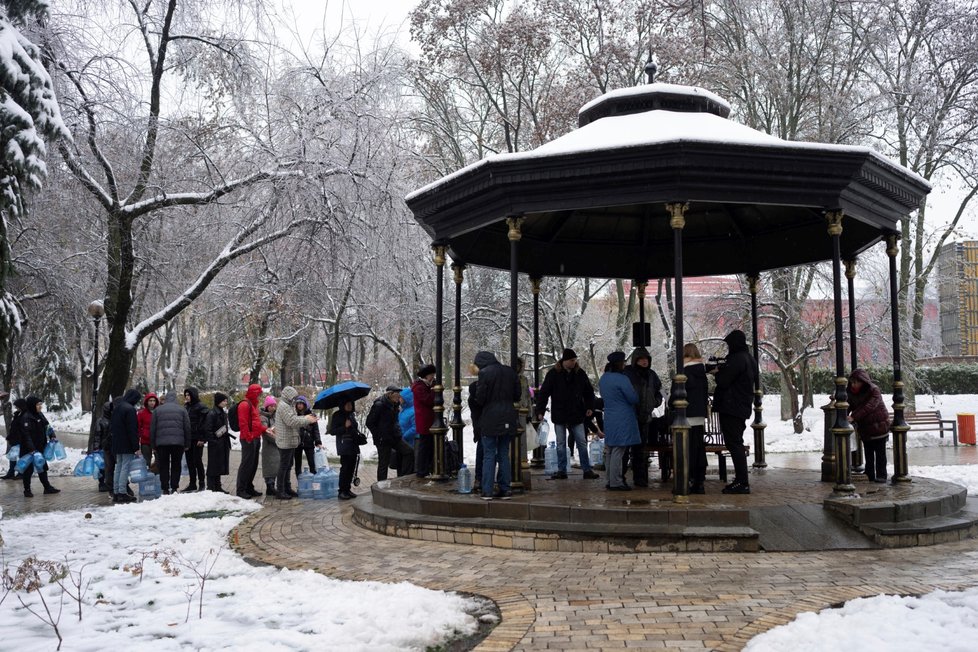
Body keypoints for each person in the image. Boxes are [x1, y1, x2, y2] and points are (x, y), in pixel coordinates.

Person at [534, 348, 599, 480]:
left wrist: (590, 406)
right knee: (561, 443)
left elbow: (588, 392)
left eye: (575, 360)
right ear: (564, 360)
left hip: (575, 413)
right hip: (561, 413)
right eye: (571, 360)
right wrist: (540, 410)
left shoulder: (579, 374)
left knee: (581, 442)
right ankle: (562, 470)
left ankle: (586, 469)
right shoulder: (553, 374)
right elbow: (544, 393)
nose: (574, 363)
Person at [709, 329, 757, 494]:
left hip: (732, 406)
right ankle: (741, 480)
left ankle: (742, 482)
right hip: (741, 406)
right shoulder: (749, 358)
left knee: (734, 443)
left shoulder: (736, 359)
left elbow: (723, 381)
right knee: (736, 442)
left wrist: (717, 372)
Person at [471, 351, 521, 500]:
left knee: (489, 455)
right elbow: (517, 395)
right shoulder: (510, 372)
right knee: (504, 454)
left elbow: (480, 398)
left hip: (490, 418)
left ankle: (487, 490)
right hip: (508, 417)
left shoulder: (485, 373)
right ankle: (505, 489)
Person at [599, 352, 640, 491]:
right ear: (619, 364)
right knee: (619, 449)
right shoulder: (622, 379)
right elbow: (633, 398)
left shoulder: (604, 378)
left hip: (610, 417)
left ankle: (609, 480)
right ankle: (616, 481)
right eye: (623, 362)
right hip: (623, 417)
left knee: (610, 449)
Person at [623, 347, 663, 487]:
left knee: (641, 450)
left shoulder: (652, 375)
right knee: (626, 449)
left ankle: (640, 478)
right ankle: (621, 477)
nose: (644, 362)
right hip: (629, 416)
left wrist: (655, 402)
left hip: (645, 416)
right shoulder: (628, 373)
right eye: (641, 359)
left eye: (646, 359)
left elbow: (658, 392)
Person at [271, 386, 319, 500]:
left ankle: (287, 488)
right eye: (293, 397)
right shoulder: (283, 406)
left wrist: (305, 417)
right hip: (285, 441)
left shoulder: (288, 405)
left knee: (288, 466)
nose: (295, 399)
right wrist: (307, 419)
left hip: (290, 441)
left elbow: (293, 418)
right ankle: (281, 490)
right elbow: (292, 421)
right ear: (288, 396)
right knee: (284, 466)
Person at [847, 368, 891, 484]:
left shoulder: (874, 390)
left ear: (863, 382)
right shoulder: (851, 392)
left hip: (879, 426)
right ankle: (869, 473)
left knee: (880, 452)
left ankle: (881, 475)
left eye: (856, 382)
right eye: (852, 382)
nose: (853, 384)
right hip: (865, 428)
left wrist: (853, 416)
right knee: (868, 451)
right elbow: (848, 405)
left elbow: (869, 407)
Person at [366, 385, 413, 480]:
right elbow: (369, 423)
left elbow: (394, 422)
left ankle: (403, 478)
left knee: (409, 452)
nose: (399, 397)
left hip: (395, 437)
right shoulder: (379, 405)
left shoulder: (395, 405)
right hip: (383, 440)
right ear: (390, 394)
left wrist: (398, 431)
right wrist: (379, 436)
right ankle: (381, 486)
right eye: (397, 394)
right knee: (384, 464)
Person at [18, 396, 60, 497]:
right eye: (38, 404)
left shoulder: (40, 415)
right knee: (28, 470)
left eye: (40, 404)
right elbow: (26, 435)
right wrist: (32, 449)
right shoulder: (25, 417)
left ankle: (47, 487)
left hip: (40, 447)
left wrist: (52, 435)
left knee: (42, 467)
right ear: (32, 405)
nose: (40, 406)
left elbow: (47, 426)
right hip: (29, 449)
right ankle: (27, 490)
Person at [150, 392, 191, 495]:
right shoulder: (182, 410)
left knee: (163, 465)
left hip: (162, 444)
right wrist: (187, 444)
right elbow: (187, 428)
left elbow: (153, 429)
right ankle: (174, 487)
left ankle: (164, 488)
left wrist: (153, 445)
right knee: (176, 465)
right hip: (178, 443)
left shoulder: (157, 410)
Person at [235, 383, 270, 499]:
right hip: (248, 439)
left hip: (255, 438)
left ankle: (249, 487)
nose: (260, 397)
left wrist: (265, 429)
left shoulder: (253, 405)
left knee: (253, 464)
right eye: (258, 394)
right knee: (246, 464)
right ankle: (241, 489)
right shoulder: (245, 405)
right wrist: (249, 437)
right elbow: (243, 423)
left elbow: (256, 424)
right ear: (254, 394)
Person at [684, 343, 709, 494]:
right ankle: (699, 479)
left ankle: (691, 477)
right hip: (699, 414)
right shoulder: (701, 371)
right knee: (699, 448)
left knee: (689, 449)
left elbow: (678, 393)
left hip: (687, 414)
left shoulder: (686, 372)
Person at [111, 388, 142, 503]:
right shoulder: (130, 410)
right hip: (127, 443)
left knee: (118, 467)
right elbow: (132, 430)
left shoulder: (118, 407)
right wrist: (136, 447)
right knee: (125, 467)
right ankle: (122, 493)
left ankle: (116, 492)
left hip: (117, 443)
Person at [330, 400, 363, 500]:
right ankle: (342, 491)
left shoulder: (351, 415)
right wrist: (344, 427)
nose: (349, 406)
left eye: (350, 404)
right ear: (342, 404)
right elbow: (333, 431)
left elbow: (354, 428)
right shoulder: (337, 415)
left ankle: (347, 489)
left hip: (353, 445)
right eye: (347, 404)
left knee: (351, 468)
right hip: (344, 445)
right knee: (345, 468)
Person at [182, 387, 209, 492]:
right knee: (189, 461)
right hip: (189, 438)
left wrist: (202, 438)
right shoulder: (186, 407)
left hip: (198, 438)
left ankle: (202, 483)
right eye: (186, 395)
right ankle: (192, 483)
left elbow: (204, 424)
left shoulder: (201, 407)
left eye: (188, 395)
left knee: (197, 461)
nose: (187, 397)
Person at [412, 364, 436, 478]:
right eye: (431, 375)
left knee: (429, 446)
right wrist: (433, 390)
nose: (433, 377)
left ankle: (428, 468)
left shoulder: (425, 386)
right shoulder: (419, 387)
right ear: (426, 376)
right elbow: (428, 400)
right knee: (424, 446)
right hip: (424, 421)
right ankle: (422, 470)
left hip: (429, 421)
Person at [205, 392, 232, 493]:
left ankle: (218, 485)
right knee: (213, 465)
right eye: (224, 401)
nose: (226, 403)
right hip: (216, 443)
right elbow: (208, 429)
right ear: (219, 402)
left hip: (222, 442)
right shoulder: (212, 413)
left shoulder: (222, 413)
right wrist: (214, 440)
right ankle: (211, 486)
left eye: (226, 401)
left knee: (219, 464)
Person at [293, 395, 323, 482]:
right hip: (297, 442)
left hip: (309, 442)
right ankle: (300, 482)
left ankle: (314, 481)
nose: (299, 405)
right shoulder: (294, 415)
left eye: (301, 404)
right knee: (298, 464)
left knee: (312, 463)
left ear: (305, 404)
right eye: (298, 404)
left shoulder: (311, 415)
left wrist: (317, 441)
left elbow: (316, 430)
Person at [2, 397, 26, 480]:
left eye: (17, 406)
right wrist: (10, 437)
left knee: (21, 457)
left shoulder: (25, 415)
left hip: (21, 440)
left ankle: (21, 473)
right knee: (12, 456)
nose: (16, 407)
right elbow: (14, 427)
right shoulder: (17, 414)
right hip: (15, 440)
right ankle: (11, 472)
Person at [259, 395, 279, 496]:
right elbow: (266, 432)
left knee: (275, 466)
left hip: (276, 445)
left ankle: (272, 485)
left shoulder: (275, 417)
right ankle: (269, 486)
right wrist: (277, 440)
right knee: (269, 466)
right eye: (270, 406)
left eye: (274, 406)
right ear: (267, 406)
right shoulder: (263, 417)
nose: (272, 408)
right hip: (269, 445)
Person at [95, 400, 113, 491]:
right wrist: (96, 447)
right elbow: (97, 435)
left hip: (111, 446)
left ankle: (108, 482)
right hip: (103, 447)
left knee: (110, 466)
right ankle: (101, 483)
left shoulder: (114, 419)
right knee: (102, 466)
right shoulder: (100, 421)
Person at [136, 392, 157, 467]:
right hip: (145, 440)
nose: (152, 402)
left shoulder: (158, 412)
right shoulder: (141, 413)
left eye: (154, 401)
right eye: (150, 401)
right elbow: (138, 426)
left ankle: (157, 475)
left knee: (158, 460)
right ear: (147, 402)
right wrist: (142, 434)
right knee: (146, 460)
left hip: (156, 439)